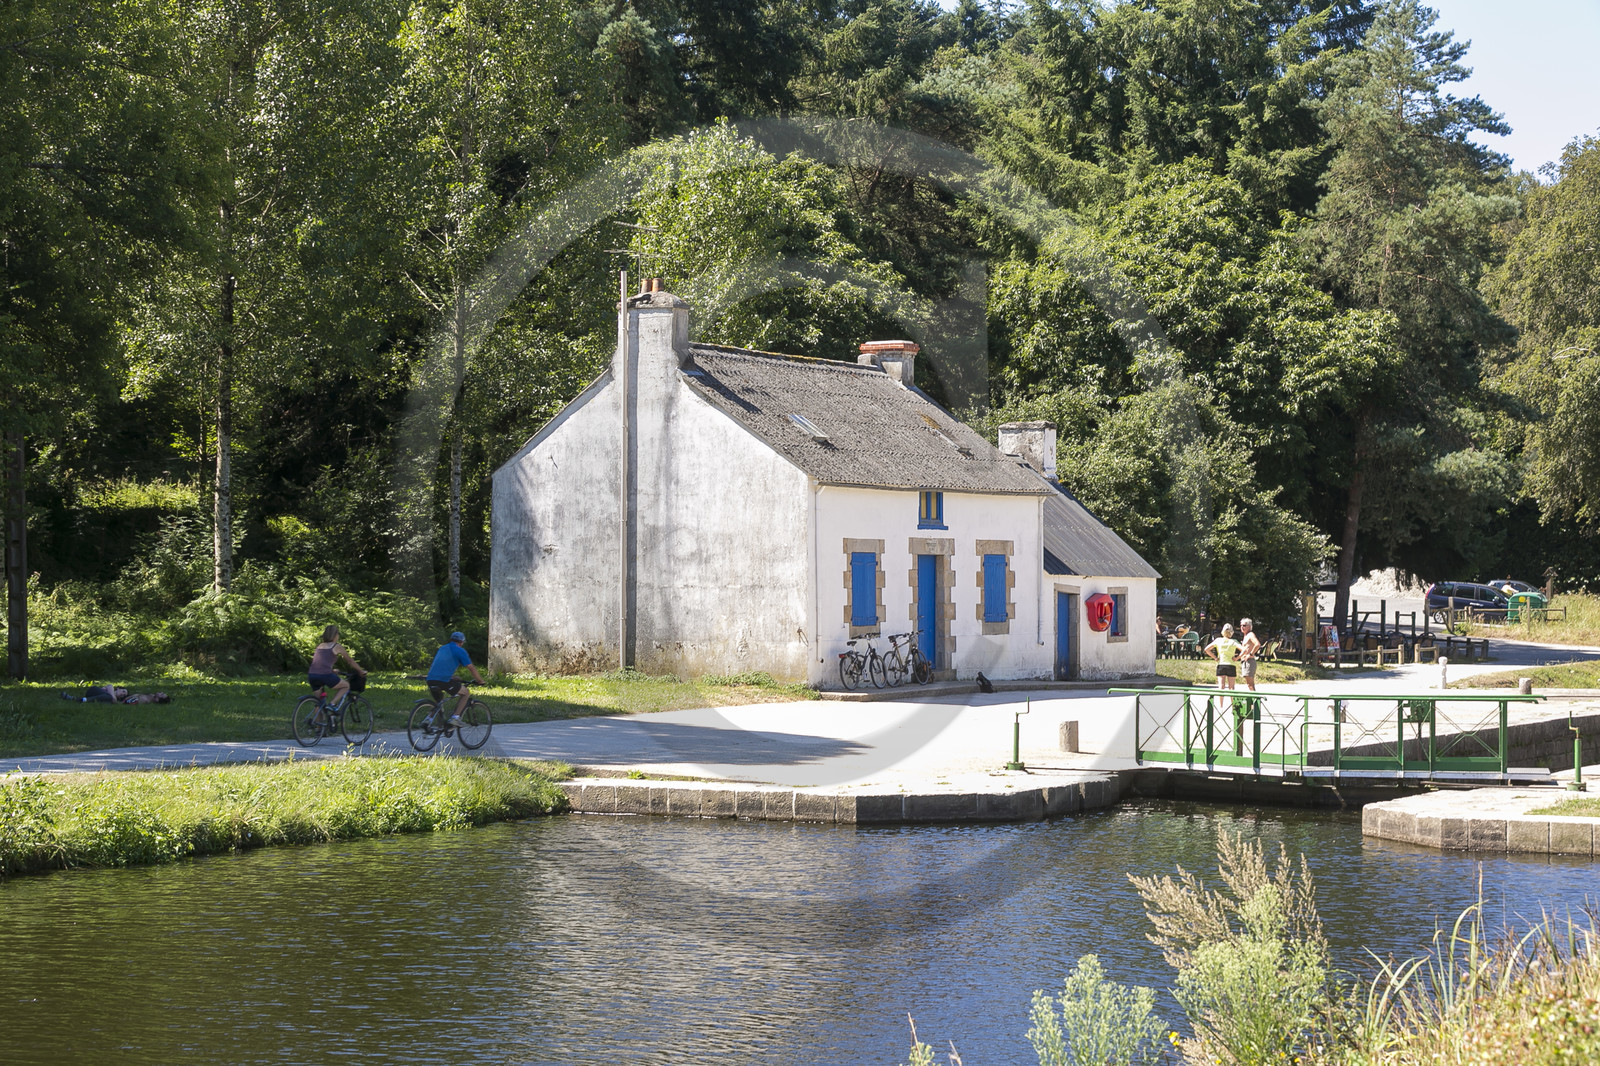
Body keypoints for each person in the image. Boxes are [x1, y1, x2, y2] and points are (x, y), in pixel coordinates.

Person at [427, 630, 484, 726]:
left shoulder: (442, 648)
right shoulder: (460, 651)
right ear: (461, 642)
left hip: (430, 679)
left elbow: (440, 665)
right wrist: (480, 680)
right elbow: (471, 668)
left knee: (439, 701)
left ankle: (428, 719)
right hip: (443, 681)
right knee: (465, 693)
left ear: (451, 640)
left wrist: (452, 677)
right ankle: (455, 718)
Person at [308, 625, 366, 712]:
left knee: (319, 703)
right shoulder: (336, 646)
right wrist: (360, 671)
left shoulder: (320, 646)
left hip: (312, 675)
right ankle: (332, 704)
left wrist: (332, 670)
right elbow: (350, 661)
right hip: (325, 675)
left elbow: (319, 663)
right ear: (335, 635)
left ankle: (318, 725)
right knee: (346, 685)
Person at [1204, 623, 1243, 692]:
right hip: (1231, 664)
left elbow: (1206, 649)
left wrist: (1215, 657)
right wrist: (1237, 658)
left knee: (1221, 687)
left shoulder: (1218, 640)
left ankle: (1220, 703)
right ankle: (1232, 702)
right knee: (1231, 688)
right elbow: (1244, 650)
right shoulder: (1233, 641)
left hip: (1221, 664)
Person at [1237, 617, 1262, 692]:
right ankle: (1252, 703)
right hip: (1245, 662)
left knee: (1250, 685)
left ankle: (1254, 703)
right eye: (1241, 625)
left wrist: (1250, 654)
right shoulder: (1246, 635)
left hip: (1249, 662)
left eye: (1244, 625)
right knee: (1249, 684)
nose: (1242, 627)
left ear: (1249, 626)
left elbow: (1257, 644)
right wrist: (1237, 657)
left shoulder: (1250, 634)